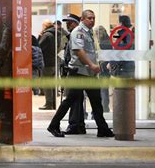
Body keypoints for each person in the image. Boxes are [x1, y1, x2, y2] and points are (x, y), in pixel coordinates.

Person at [47, 10, 114, 138]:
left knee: (96, 101)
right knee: (69, 100)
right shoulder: (78, 32)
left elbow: (90, 51)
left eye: (94, 18)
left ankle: (102, 128)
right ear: (82, 19)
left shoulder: (89, 33)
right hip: (79, 73)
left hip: (89, 74)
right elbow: (79, 51)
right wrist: (92, 65)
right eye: (89, 18)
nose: (92, 20)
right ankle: (53, 125)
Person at [61, 13, 86, 135]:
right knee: (77, 98)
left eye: (70, 22)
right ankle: (79, 125)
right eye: (67, 22)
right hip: (75, 71)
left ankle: (74, 125)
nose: (68, 24)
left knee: (73, 99)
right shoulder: (72, 35)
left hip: (76, 71)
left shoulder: (77, 35)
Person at [38, 20, 57, 110]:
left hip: (47, 63)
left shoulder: (46, 35)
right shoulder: (55, 34)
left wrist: (39, 36)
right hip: (53, 62)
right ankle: (53, 103)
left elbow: (39, 46)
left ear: (45, 26)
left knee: (46, 84)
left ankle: (48, 104)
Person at [94, 25, 113, 113]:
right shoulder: (108, 40)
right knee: (104, 89)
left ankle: (104, 108)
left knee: (103, 90)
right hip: (105, 68)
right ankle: (105, 108)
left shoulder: (103, 43)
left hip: (103, 67)